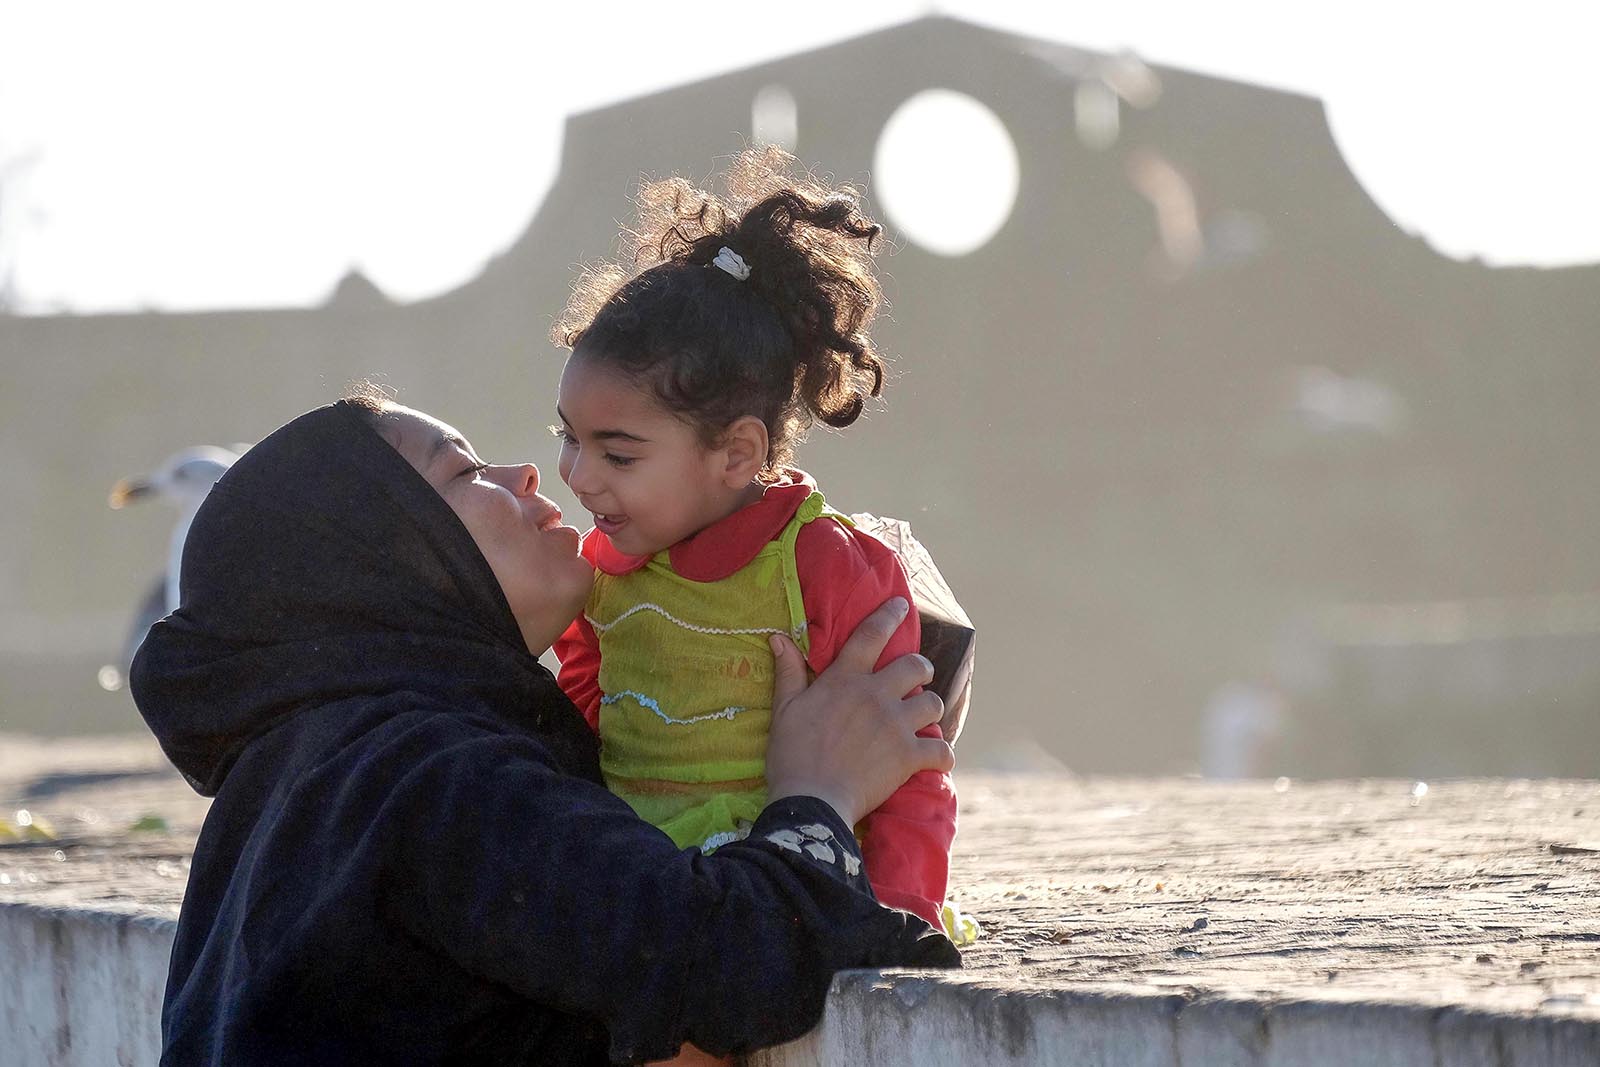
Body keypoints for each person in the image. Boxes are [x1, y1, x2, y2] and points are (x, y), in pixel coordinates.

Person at [130, 396, 957, 1066]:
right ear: (390, 555)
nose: (524, 471)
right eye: (461, 470)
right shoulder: (433, 776)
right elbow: (727, 965)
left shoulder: (308, 778)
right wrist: (820, 789)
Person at [549, 148, 956, 933]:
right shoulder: (602, 572)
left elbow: (909, 762)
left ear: (738, 453)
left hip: (785, 896)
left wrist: (903, 913)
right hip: (646, 905)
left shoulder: (829, 571)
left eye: (618, 453)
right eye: (567, 437)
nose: (578, 476)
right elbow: (582, 735)